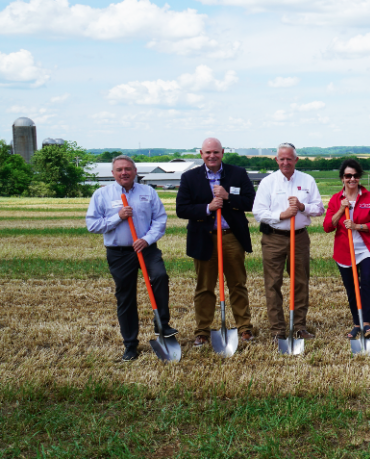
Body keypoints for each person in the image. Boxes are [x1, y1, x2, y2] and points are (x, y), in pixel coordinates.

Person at [86, 155, 175, 362]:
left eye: (128, 169)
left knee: (160, 277)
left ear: (135, 172)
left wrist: (146, 239)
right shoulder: (102, 195)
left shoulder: (148, 192)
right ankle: (130, 345)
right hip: (119, 253)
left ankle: (161, 325)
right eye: (119, 170)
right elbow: (93, 225)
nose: (124, 172)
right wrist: (118, 217)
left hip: (147, 248)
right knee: (126, 297)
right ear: (113, 173)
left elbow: (160, 220)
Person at [176, 137, 257, 347]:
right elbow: (181, 209)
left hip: (232, 237)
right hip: (204, 238)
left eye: (216, 152)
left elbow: (251, 202)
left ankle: (244, 328)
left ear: (222, 153)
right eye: (207, 152)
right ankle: (202, 331)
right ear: (201, 154)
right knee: (204, 287)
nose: (212, 156)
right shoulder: (189, 178)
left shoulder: (237, 173)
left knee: (237, 284)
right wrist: (207, 208)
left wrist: (228, 196)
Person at [253, 143, 324, 341]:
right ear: (276, 160)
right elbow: (258, 212)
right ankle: (278, 330)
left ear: (296, 160)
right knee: (273, 283)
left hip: (299, 237)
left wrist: (302, 207)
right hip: (274, 238)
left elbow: (319, 209)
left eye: (289, 158)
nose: (285, 162)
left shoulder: (307, 180)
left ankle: (299, 326)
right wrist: (282, 215)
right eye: (281, 159)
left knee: (300, 282)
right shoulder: (268, 182)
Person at [325, 159, 370, 340]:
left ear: (359, 177)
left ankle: (367, 324)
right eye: (348, 176)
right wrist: (341, 210)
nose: (352, 179)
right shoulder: (336, 199)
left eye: (355, 176)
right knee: (351, 288)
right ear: (342, 178)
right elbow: (328, 226)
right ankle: (356, 324)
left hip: (367, 249)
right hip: (345, 251)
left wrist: (358, 226)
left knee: (366, 283)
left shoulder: (369, 198)